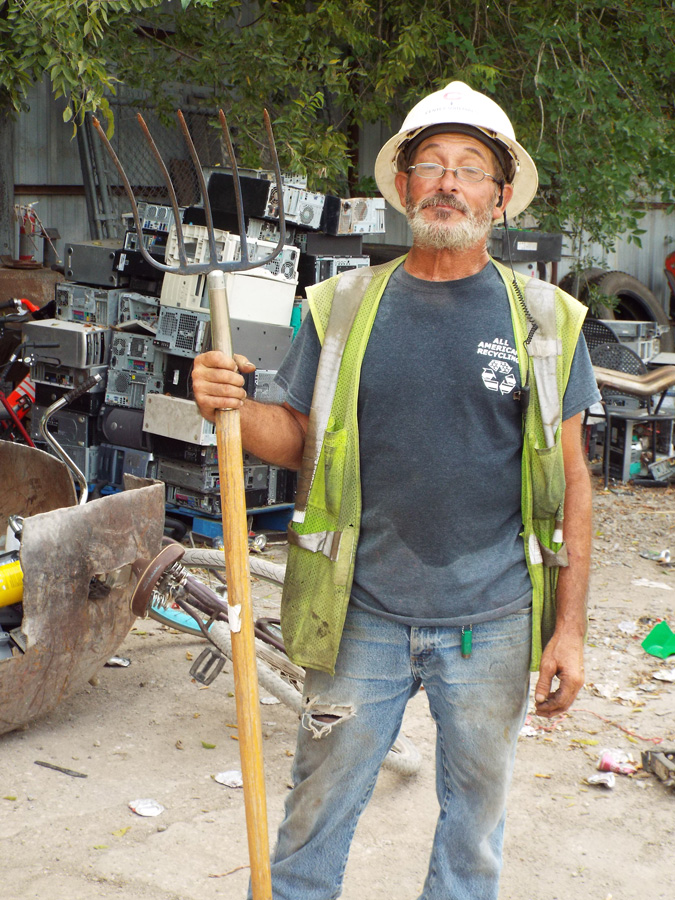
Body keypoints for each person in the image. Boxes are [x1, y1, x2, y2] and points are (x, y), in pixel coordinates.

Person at [191, 81, 601, 900]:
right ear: (406, 187)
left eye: (470, 168)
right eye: (431, 165)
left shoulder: (545, 320)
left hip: (490, 622)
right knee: (314, 811)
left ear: (499, 195)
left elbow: (575, 482)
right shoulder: (343, 307)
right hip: (359, 614)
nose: (449, 182)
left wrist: (569, 632)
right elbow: (298, 439)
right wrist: (228, 406)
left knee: (473, 828)